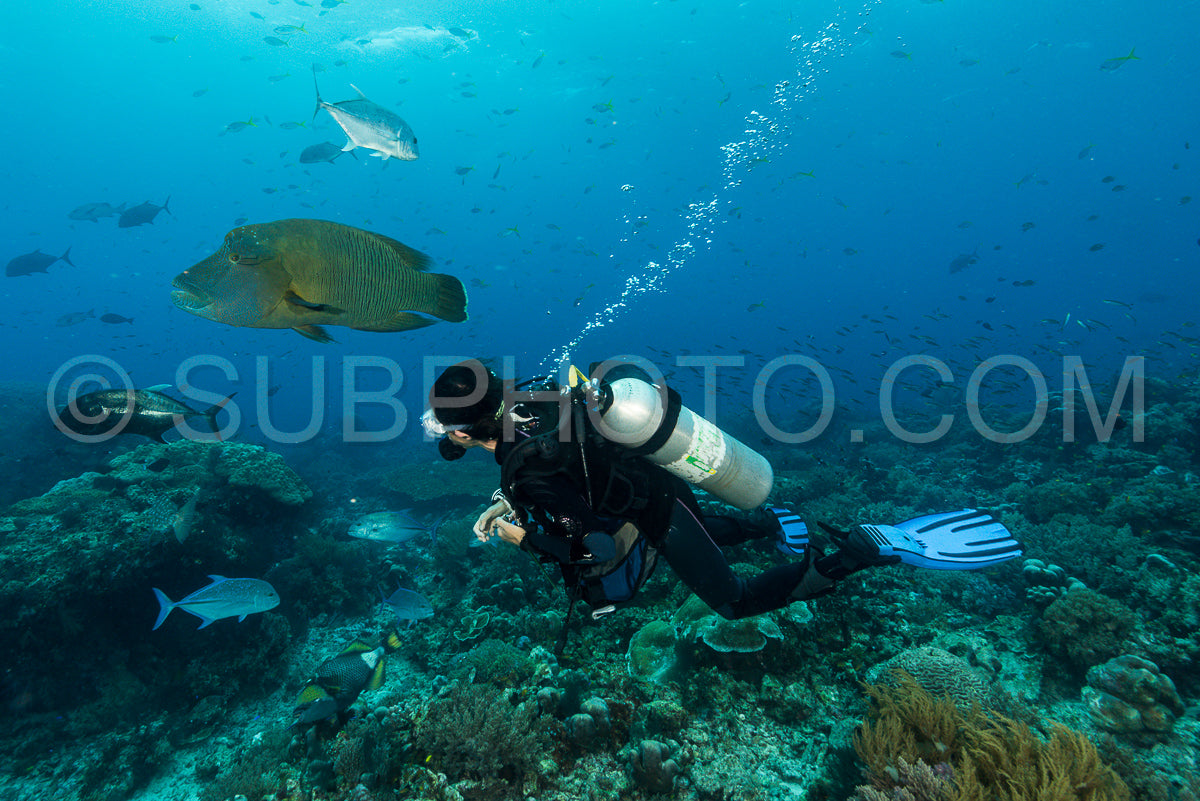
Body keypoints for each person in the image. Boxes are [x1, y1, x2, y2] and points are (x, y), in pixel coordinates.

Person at [422, 359, 1022, 634]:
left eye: (445, 427)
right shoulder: (535, 398)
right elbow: (566, 471)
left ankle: (857, 555)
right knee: (700, 524)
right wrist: (520, 500)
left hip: (650, 512)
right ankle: (766, 525)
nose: (444, 437)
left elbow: (593, 541)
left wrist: (520, 531)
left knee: (732, 602)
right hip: (662, 479)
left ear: (466, 430)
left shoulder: (522, 469)